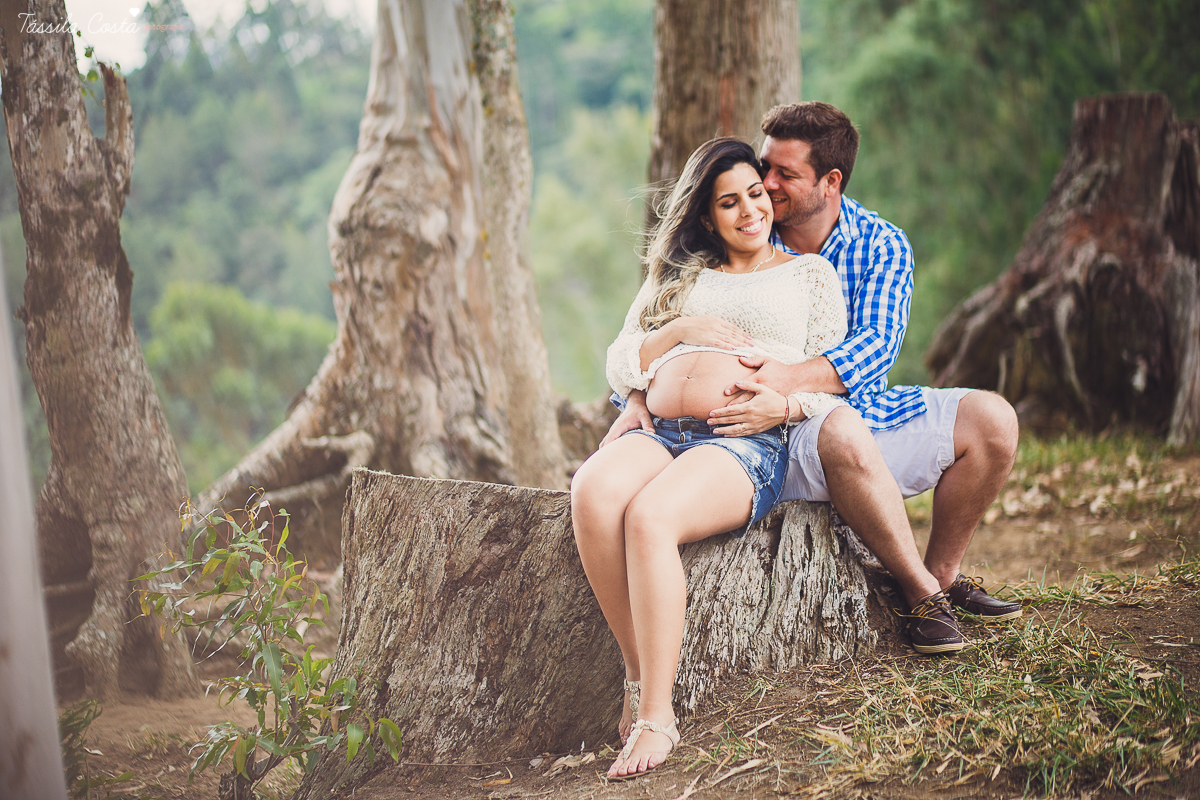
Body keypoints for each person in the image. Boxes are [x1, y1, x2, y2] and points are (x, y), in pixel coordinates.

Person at [611, 102, 1022, 657]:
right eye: (765, 168)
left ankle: (942, 576)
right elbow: (664, 327)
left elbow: (876, 348)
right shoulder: (741, 230)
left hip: (838, 409)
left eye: (785, 175)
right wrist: (635, 394)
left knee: (992, 420)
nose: (766, 186)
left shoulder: (879, 243)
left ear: (830, 182)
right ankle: (919, 594)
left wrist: (786, 387)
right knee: (840, 426)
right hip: (773, 432)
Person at [571, 137, 849, 779]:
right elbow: (622, 357)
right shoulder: (681, 278)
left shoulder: (809, 275)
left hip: (743, 441)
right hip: (661, 429)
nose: (751, 209)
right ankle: (638, 674)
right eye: (730, 202)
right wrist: (673, 337)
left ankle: (658, 719)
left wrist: (783, 409)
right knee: (592, 492)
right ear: (706, 216)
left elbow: (833, 376)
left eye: (757, 194)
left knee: (650, 518)